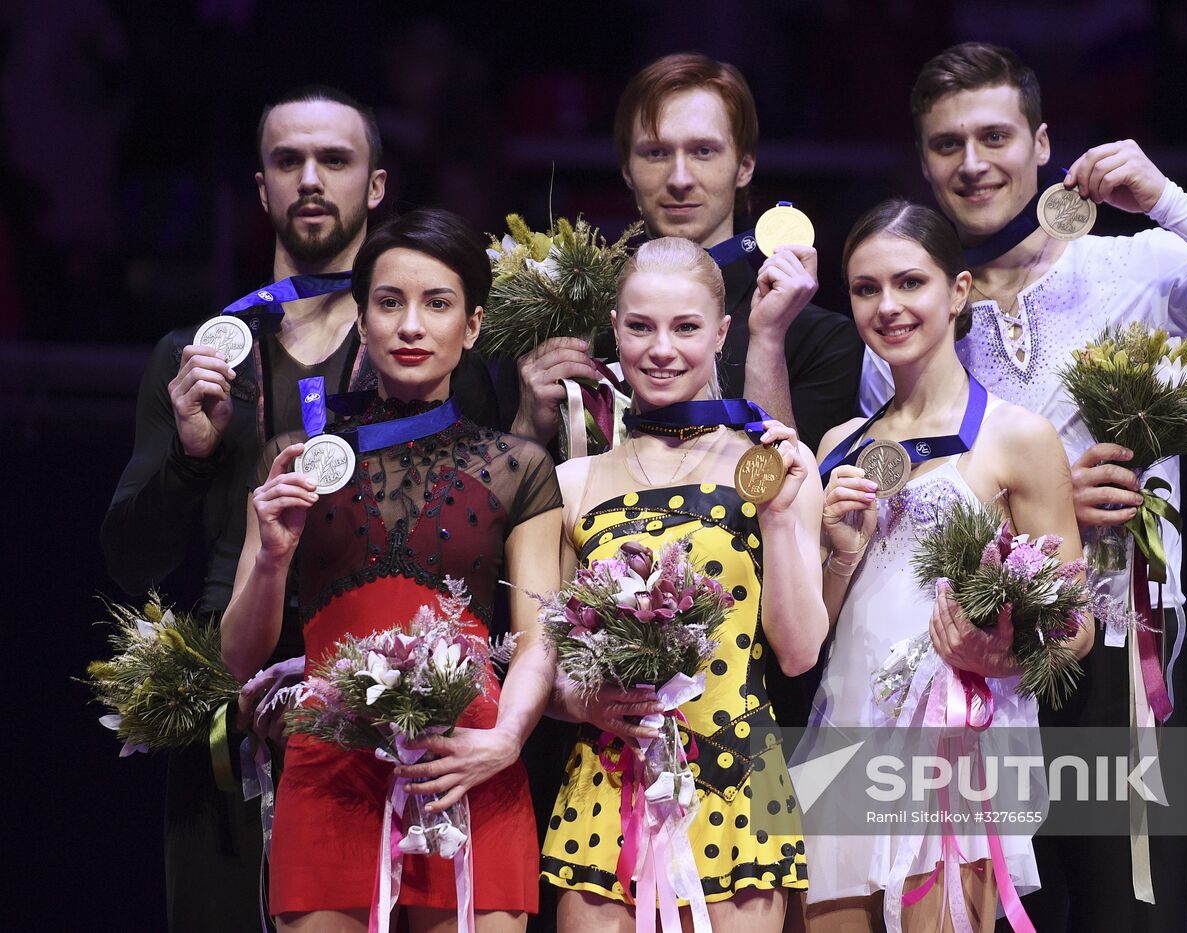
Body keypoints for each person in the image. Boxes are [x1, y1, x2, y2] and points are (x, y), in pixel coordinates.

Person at [858, 42, 1187, 932]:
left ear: (1042, 141)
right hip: (976, 673)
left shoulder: (1134, 270)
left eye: (994, 136)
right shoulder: (907, 319)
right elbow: (900, 533)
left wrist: (1169, 201)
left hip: (1126, 667)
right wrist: (1041, 508)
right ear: (923, 160)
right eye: (946, 145)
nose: (973, 164)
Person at [221, 208, 560, 932]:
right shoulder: (296, 457)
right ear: (362, 318)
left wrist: (505, 741)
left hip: (467, 766)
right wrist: (274, 555)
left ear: (471, 326)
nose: (411, 325)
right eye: (389, 302)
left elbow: (537, 637)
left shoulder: (520, 466)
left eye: (437, 304)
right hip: (331, 772)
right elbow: (238, 655)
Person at [101, 84, 387, 933]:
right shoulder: (194, 357)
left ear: (375, 186)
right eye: (286, 160)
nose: (310, 178)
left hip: (382, 700)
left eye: (334, 160)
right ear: (259, 188)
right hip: (228, 710)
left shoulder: (421, 356)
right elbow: (129, 558)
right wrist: (191, 454)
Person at [805, 200, 1092, 933]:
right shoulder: (839, 444)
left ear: (958, 291)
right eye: (866, 289)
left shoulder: (1018, 438)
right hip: (844, 727)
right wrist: (838, 551)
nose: (888, 305)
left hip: (952, 743)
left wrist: (1001, 652)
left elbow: (1076, 625)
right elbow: (811, 629)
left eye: (910, 283)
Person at [539, 237, 828, 932]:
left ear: (723, 333)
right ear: (615, 329)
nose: (661, 348)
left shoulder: (775, 463)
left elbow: (797, 653)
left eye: (686, 327)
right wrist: (587, 703)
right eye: (640, 326)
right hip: (609, 785)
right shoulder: (573, 482)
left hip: (741, 781)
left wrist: (784, 519)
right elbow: (543, 673)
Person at [510, 53, 864, 453]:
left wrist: (768, 341)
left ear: (745, 165)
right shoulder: (575, 326)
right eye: (656, 153)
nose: (679, 179)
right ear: (627, 169)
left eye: (703, 151)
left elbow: (798, 504)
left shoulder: (821, 339)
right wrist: (526, 428)